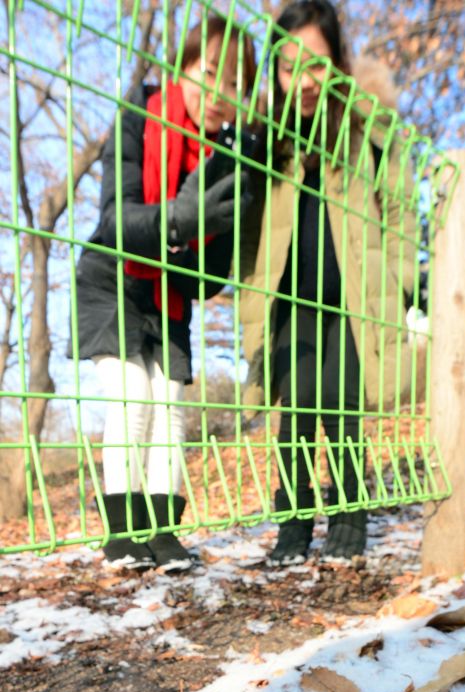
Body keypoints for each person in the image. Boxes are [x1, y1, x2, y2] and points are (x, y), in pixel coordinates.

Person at [74, 16, 256, 570]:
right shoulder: (139, 115)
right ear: (183, 67)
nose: (221, 93)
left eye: (236, 83)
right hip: (112, 280)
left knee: (170, 403)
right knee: (132, 396)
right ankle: (123, 532)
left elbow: (211, 279)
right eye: (211, 72)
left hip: (169, 294)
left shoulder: (226, 158)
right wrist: (180, 218)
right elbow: (114, 221)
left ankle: (162, 531)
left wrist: (214, 228)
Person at [240, 0, 415, 566]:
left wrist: (400, 281)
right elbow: (249, 221)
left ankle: (348, 515)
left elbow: (401, 208)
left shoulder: (367, 127)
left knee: (341, 405)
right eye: (289, 66)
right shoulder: (268, 138)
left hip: (353, 293)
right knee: (295, 408)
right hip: (290, 296)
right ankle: (293, 524)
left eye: (315, 63)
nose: (305, 80)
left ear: (337, 62)